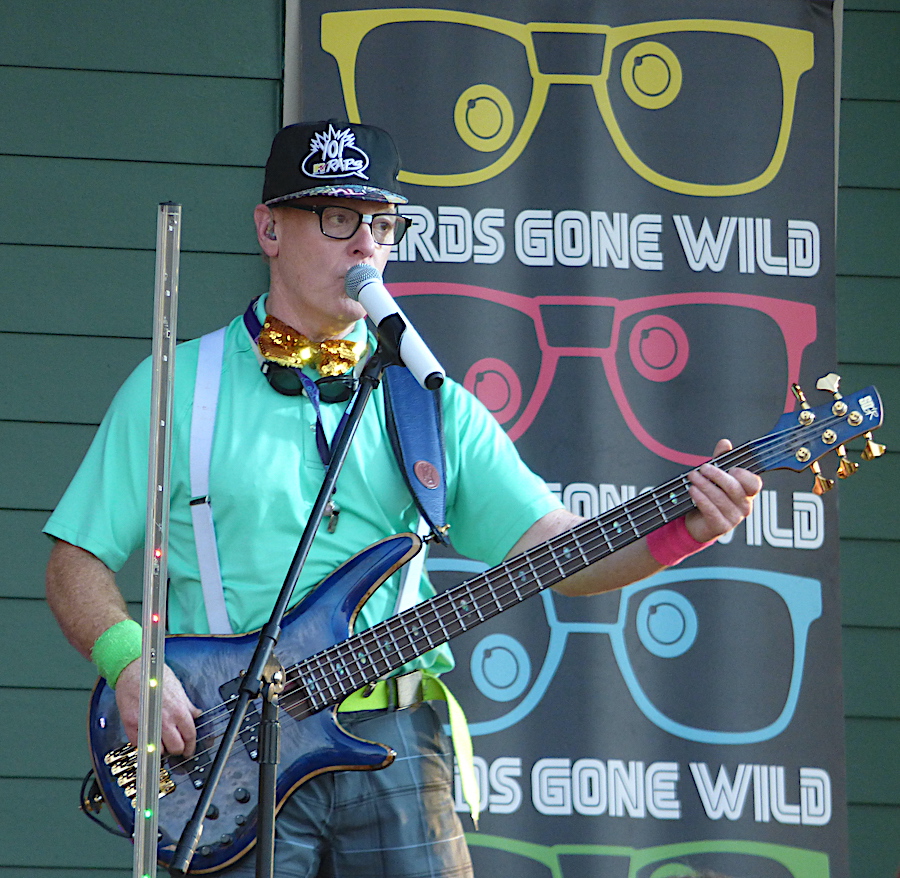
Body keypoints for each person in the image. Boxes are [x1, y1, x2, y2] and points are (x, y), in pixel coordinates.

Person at [44, 119, 761, 877]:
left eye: (383, 224)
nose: (365, 245)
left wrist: (686, 528)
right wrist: (132, 664)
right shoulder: (177, 385)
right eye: (338, 217)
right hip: (227, 754)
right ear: (269, 229)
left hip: (398, 742)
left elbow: (561, 552)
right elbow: (75, 559)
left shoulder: (429, 399)